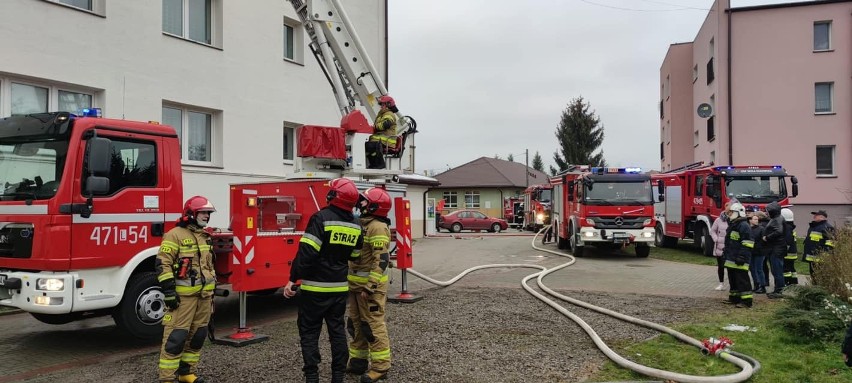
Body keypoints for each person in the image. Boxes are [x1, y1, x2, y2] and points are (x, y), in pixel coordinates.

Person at [283, 178, 364, 383]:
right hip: (339, 288)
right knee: (337, 331)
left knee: (309, 333)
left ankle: (312, 376)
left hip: (315, 289)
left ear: (334, 196)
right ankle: (338, 376)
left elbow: (307, 253)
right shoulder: (356, 224)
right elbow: (355, 255)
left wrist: (293, 279)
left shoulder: (320, 218)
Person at [156, 196, 217, 383]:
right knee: (176, 338)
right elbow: (162, 264)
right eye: (203, 212)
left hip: (204, 297)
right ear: (191, 213)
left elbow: (208, 267)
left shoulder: (205, 236)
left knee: (198, 336)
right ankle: (167, 378)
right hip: (183, 299)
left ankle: (186, 373)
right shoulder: (175, 235)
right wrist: (168, 292)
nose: (207, 216)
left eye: (208, 213)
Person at [347, 187, 393, 382]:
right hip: (356, 287)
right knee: (356, 325)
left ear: (374, 206)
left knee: (373, 327)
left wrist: (370, 286)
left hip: (369, 289)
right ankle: (358, 362)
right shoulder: (363, 224)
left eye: (364, 201)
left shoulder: (377, 227)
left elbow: (381, 260)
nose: (360, 204)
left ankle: (381, 367)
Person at [722, 202, 754, 308]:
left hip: (740, 259)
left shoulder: (744, 226)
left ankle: (746, 301)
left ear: (737, 213)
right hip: (732, 258)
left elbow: (748, 243)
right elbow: (730, 241)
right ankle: (734, 298)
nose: (729, 214)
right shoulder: (733, 224)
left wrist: (741, 256)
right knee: (733, 280)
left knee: (742, 280)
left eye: (731, 212)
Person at [365, 95, 398, 170]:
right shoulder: (383, 114)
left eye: (383, 104)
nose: (381, 106)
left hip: (387, 140)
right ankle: (374, 164)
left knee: (371, 146)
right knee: (368, 145)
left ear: (388, 105)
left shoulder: (389, 114)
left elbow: (386, 124)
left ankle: (379, 164)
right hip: (383, 139)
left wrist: (375, 127)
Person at [762, 201, 787, 298]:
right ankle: (778, 289)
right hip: (775, 248)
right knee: (776, 270)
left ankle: (779, 291)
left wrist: (767, 237)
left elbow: (779, 231)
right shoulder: (776, 218)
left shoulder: (777, 219)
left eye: (768, 210)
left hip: (776, 249)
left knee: (777, 270)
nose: (767, 212)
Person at [803, 210, 836, 278]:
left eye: (816, 215)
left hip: (820, 258)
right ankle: (815, 287)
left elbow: (831, 243)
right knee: (813, 274)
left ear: (822, 217)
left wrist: (824, 255)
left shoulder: (827, 227)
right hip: (812, 256)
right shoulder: (813, 226)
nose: (814, 216)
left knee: (821, 275)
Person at [710, 202, 731, 291]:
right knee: (721, 266)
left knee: (731, 267)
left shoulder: (734, 220)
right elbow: (712, 231)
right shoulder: (718, 220)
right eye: (727, 207)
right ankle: (721, 284)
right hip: (720, 247)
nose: (729, 209)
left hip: (730, 247)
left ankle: (732, 285)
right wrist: (716, 239)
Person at [747, 212, 767, 294]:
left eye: (757, 219)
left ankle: (762, 286)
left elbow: (764, 240)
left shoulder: (761, 229)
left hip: (760, 252)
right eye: (755, 219)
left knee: (759, 269)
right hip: (751, 252)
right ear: (750, 220)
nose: (756, 221)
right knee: (752, 269)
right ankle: (756, 285)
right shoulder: (748, 229)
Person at [781, 208, 799, 285]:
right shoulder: (791, 227)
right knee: (791, 267)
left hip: (788, 252)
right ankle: (794, 282)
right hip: (793, 251)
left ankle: (787, 282)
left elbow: (787, 240)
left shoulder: (786, 228)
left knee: (786, 269)